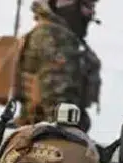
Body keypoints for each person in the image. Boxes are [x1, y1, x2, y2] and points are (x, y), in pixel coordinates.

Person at [15, 0, 101, 130]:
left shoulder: (56, 35)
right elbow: (58, 104)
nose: (91, 13)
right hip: (47, 133)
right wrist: (66, 133)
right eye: (86, 6)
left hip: (42, 130)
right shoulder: (54, 38)